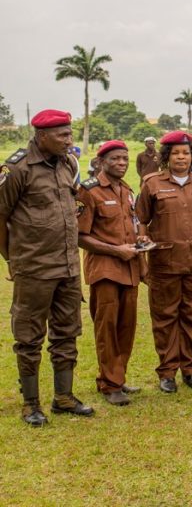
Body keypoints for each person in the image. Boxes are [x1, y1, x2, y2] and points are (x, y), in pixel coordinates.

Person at [0, 109, 93, 426]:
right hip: (35, 267)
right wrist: (11, 259)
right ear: (42, 136)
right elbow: (1, 217)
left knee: (67, 332)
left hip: (68, 265)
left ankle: (63, 397)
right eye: (63, 135)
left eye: (70, 133)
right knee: (29, 337)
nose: (69, 140)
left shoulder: (67, 163)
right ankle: (30, 404)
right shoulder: (17, 168)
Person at [137, 131, 192, 392]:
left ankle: (191, 369)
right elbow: (142, 223)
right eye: (176, 153)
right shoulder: (152, 184)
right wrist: (143, 263)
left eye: (185, 153)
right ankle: (167, 372)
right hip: (164, 263)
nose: (181, 157)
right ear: (167, 157)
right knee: (164, 318)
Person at [77, 141, 146, 406]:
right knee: (106, 327)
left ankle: (117, 377)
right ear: (102, 161)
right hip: (105, 270)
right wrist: (116, 251)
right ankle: (110, 384)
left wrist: (141, 244)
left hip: (129, 268)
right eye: (116, 158)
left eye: (125, 159)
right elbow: (80, 236)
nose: (122, 163)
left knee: (126, 327)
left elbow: (133, 224)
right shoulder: (88, 191)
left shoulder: (127, 190)